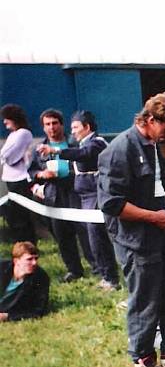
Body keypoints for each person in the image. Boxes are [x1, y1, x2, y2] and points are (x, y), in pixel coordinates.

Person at [97, 91, 165, 367]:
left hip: (163, 232)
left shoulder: (154, 145)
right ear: (150, 119)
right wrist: (153, 216)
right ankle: (143, 361)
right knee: (146, 300)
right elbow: (111, 204)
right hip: (136, 239)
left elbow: (157, 186)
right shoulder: (118, 151)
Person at [37, 111, 119, 291]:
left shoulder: (96, 143)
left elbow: (83, 154)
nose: (72, 131)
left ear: (87, 127)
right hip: (85, 197)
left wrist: (56, 150)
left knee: (98, 237)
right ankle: (106, 276)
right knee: (94, 238)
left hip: (95, 196)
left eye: (75, 127)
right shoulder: (84, 142)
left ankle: (111, 278)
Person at [29, 109, 96, 282]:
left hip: (75, 190)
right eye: (47, 124)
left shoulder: (75, 143)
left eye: (54, 123)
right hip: (53, 194)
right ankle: (74, 270)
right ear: (43, 128)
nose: (51, 127)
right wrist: (41, 177)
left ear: (61, 124)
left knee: (85, 231)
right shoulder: (39, 150)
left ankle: (97, 266)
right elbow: (31, 172)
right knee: (62, 235)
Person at [0, 104, 37, 243]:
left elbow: (8, 156)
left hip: (20, 179)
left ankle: (28, 243)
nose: (4, 122)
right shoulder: (13, 135)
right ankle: (21, 243)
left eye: (6, 119)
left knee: (20, 216)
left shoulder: (23, 133)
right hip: (11, 179)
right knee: (13, 215)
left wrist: (4, 156)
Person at [0, 241, 49, 322]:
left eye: (36, 258)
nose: (34, 263)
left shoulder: (40, 278)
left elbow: (37, 311)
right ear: (16, 261)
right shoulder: (2, 267)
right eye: (29, 259)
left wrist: (7, 316)